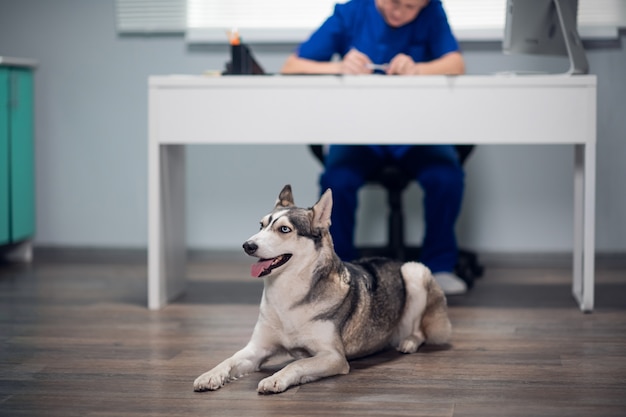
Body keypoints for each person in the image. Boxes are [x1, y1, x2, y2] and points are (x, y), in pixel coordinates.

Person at [280, 0, 468, 295]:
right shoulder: (351, 12)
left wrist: (418, 68)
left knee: (446, 177)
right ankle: (338, 269)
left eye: (411, 8)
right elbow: (291, 66)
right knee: (337, 181)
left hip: (415, 135)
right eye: (394, 3)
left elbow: (456, 64)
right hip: (359, 135)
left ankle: (440, 266)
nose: (400, 13)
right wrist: (338, 67)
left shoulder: (433, 12)